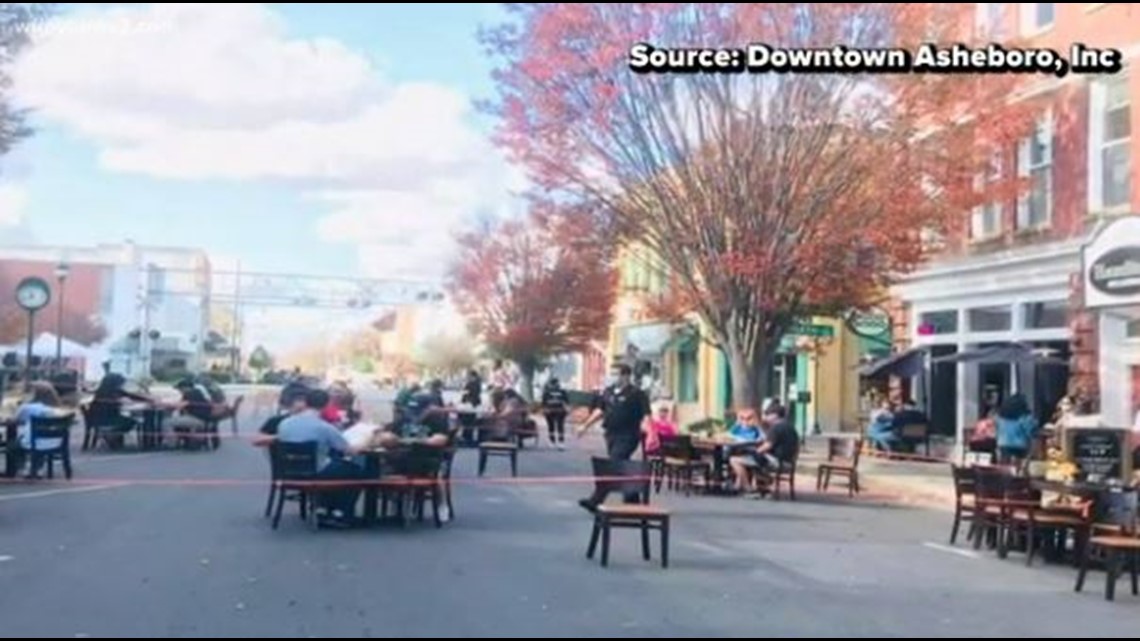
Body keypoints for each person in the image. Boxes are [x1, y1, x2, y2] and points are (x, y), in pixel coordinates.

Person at [277, 389, 368, 528]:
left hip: (288, 471)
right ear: (327, 405)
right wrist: (367, 440)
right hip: (317, 471)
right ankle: (341, 513)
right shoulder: (324, 427)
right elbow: (348, 450)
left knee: (335, 466)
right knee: (354, 470)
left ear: (306, 403)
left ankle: (322, 508)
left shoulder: (284, 424)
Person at [576, 364, 652, 511]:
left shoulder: (637, 393)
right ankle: (632, 498)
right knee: (621, 465)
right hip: (611, 434)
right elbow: (599, 410)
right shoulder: (608, 392)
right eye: (611, 373)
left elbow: (647, 415)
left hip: (628, 435)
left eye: (615, 374)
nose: (612, 376)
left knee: (613, 464)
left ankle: (595, 500)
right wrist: (585, 426)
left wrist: (650, 434)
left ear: (625, 376)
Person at [729, 403, 798, 496]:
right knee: (747, 458)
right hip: (787, 460)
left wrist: (756, 451)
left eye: (768, 415)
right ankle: (739, 486)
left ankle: (747, 488)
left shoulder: (776, 428)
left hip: (776, 461)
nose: (766, 417)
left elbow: (767, 446)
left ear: (775, 415)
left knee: (734, 460)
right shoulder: (790, 426)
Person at [14, 382, 69, 477]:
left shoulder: (27, 407)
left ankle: (21, 467)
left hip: (32, 442)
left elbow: (16, 419)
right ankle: (39, 467)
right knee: (41, 439)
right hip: (55, 442)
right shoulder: (57, 410)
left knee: (13, 445)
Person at [88, 373, 152, 450]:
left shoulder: (100, 393)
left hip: (96, 420)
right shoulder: (112, 394)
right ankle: (112, 436)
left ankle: (112, 437)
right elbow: (129, 397)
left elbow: (131, 396)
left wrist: (149, 400)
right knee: (132, 421)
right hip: (110, 419)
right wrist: (150, 400)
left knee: (127, 420)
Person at [166, 378, 215, 445]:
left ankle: (171, 443)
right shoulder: (197, 392)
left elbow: (179, 406)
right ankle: (180, 440)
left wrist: (165, 405)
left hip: (198, 419)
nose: (179, 391)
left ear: (185, 388)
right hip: (204, 419)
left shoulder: (190, 393)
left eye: (180, 389)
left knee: (167, 422)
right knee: (178, 420)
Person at [995, 393, 1038, 465]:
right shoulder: (1024, 416)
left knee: (1004, 467)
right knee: (1018, 467)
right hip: (1020, 445)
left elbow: (997, 429)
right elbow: (1029, 430)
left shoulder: (1001, 416)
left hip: (1003, 444)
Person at [541, 377, 570, 450]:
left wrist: (544, 410)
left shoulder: (547, 392)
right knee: (560, 427)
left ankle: (553, 441)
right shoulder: (562, 391)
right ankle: (560, 442)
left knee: (551, 426)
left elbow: (544, 403)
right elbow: (567, 401)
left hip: (551, 411)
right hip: (559, 411)